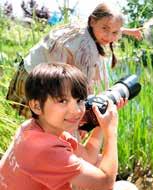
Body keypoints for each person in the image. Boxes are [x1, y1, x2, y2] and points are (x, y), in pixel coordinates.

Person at [0, 63, 140, 190]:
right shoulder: (45, 150)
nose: (76, 110)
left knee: (97, 162)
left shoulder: (34, 129)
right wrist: (110, 132)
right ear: (36, 105)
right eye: (62, 101)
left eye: (79, 100)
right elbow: (105, 181)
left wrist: (99, 124)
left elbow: (88, 158)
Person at [6, 2, 142, 117]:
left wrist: (128, 31)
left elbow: (111, 25)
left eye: (115, 32)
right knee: (46, 129)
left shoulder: (86, 27)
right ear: (92, 21)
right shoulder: (86, 48)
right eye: (105, 29)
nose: (109, 36)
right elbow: (81, 89)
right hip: (35, 84)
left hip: (27, 70)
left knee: (40, 129)